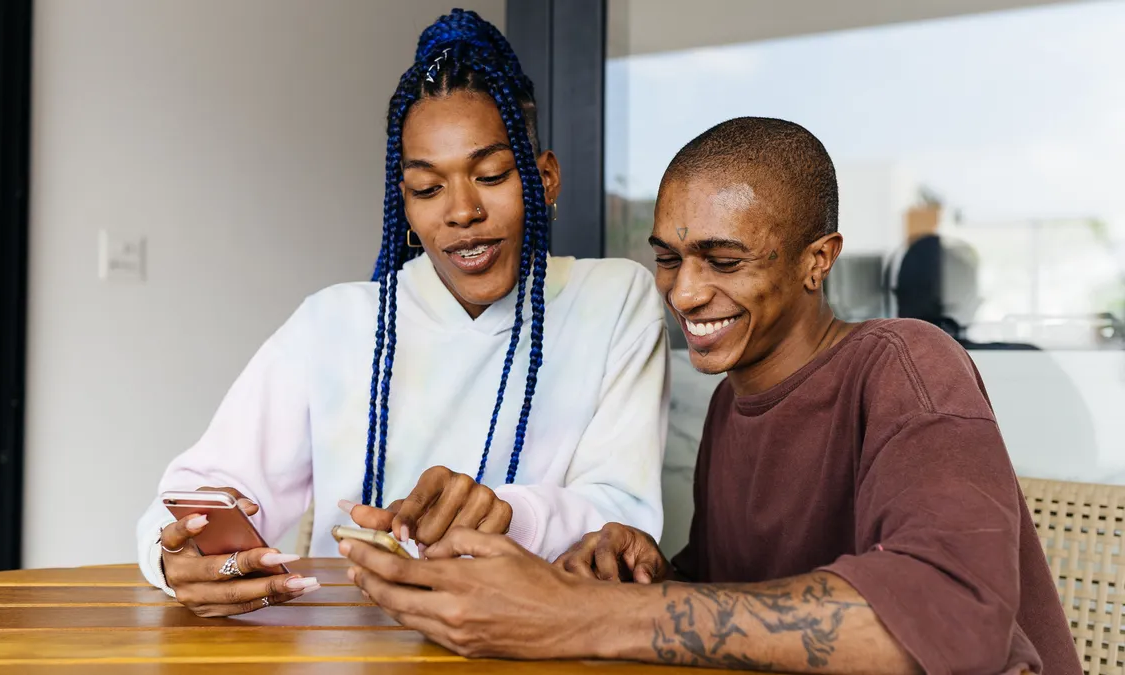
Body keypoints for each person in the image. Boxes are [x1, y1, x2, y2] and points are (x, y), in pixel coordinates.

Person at [341, 117, 1081, 674]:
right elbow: (759, 593)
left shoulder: (909, 364)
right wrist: (652, 569)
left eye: (722, 259)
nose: (686, 292)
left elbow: (956, 613)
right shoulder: (733, 400)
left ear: (816, 261)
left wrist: (592, 614)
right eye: (668, 258)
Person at [136, 9, 668, 618]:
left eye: (491, 174)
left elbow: (627, 516)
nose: (462, 210)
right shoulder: (333, 323)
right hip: (351, 647)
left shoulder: (616, 299)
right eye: (427, 188)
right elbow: (195, 494)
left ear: (544, 179)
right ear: (404, 207)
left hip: (536, 642)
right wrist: (177, 554)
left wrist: (507, 512)